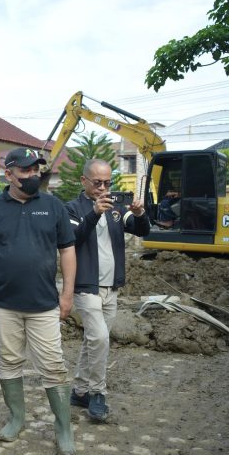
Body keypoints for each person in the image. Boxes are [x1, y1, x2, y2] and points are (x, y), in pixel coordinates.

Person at [0, 147, 77, 455]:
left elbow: (67, 250)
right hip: (2, 304)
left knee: (53, 365)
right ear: (9, 174)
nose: (33, 176)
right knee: (9, 361)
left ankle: (64, 429)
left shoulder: (53, 206)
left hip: (43, 304)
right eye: (26, 171)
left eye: (36, 170)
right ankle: (16, 417)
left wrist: (67, 294)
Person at [66, 160, 150, 422]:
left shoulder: (117, 208)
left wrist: (138, 213)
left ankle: (79, 390)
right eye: (97, 183)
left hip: (111, 287)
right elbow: (71, 239)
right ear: (84, 181)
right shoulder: (72, 208)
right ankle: (97, 393)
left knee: (94, 340)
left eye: (107, 183)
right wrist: (93, 213)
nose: (103, 188)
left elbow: (143, 230)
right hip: (85, 287)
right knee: (100, 339)